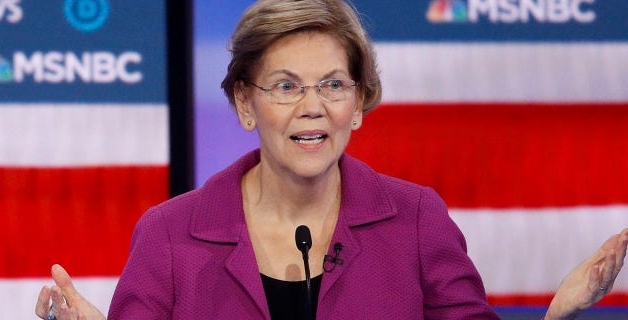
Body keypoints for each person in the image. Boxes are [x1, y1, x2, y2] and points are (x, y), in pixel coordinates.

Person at [35, 0, 628, 319]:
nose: (313, 108)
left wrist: (558, 314)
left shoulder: (417, 220)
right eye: (287, 86)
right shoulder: (168, 235)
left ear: (360, 103)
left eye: (334, 85)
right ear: (245, 103)